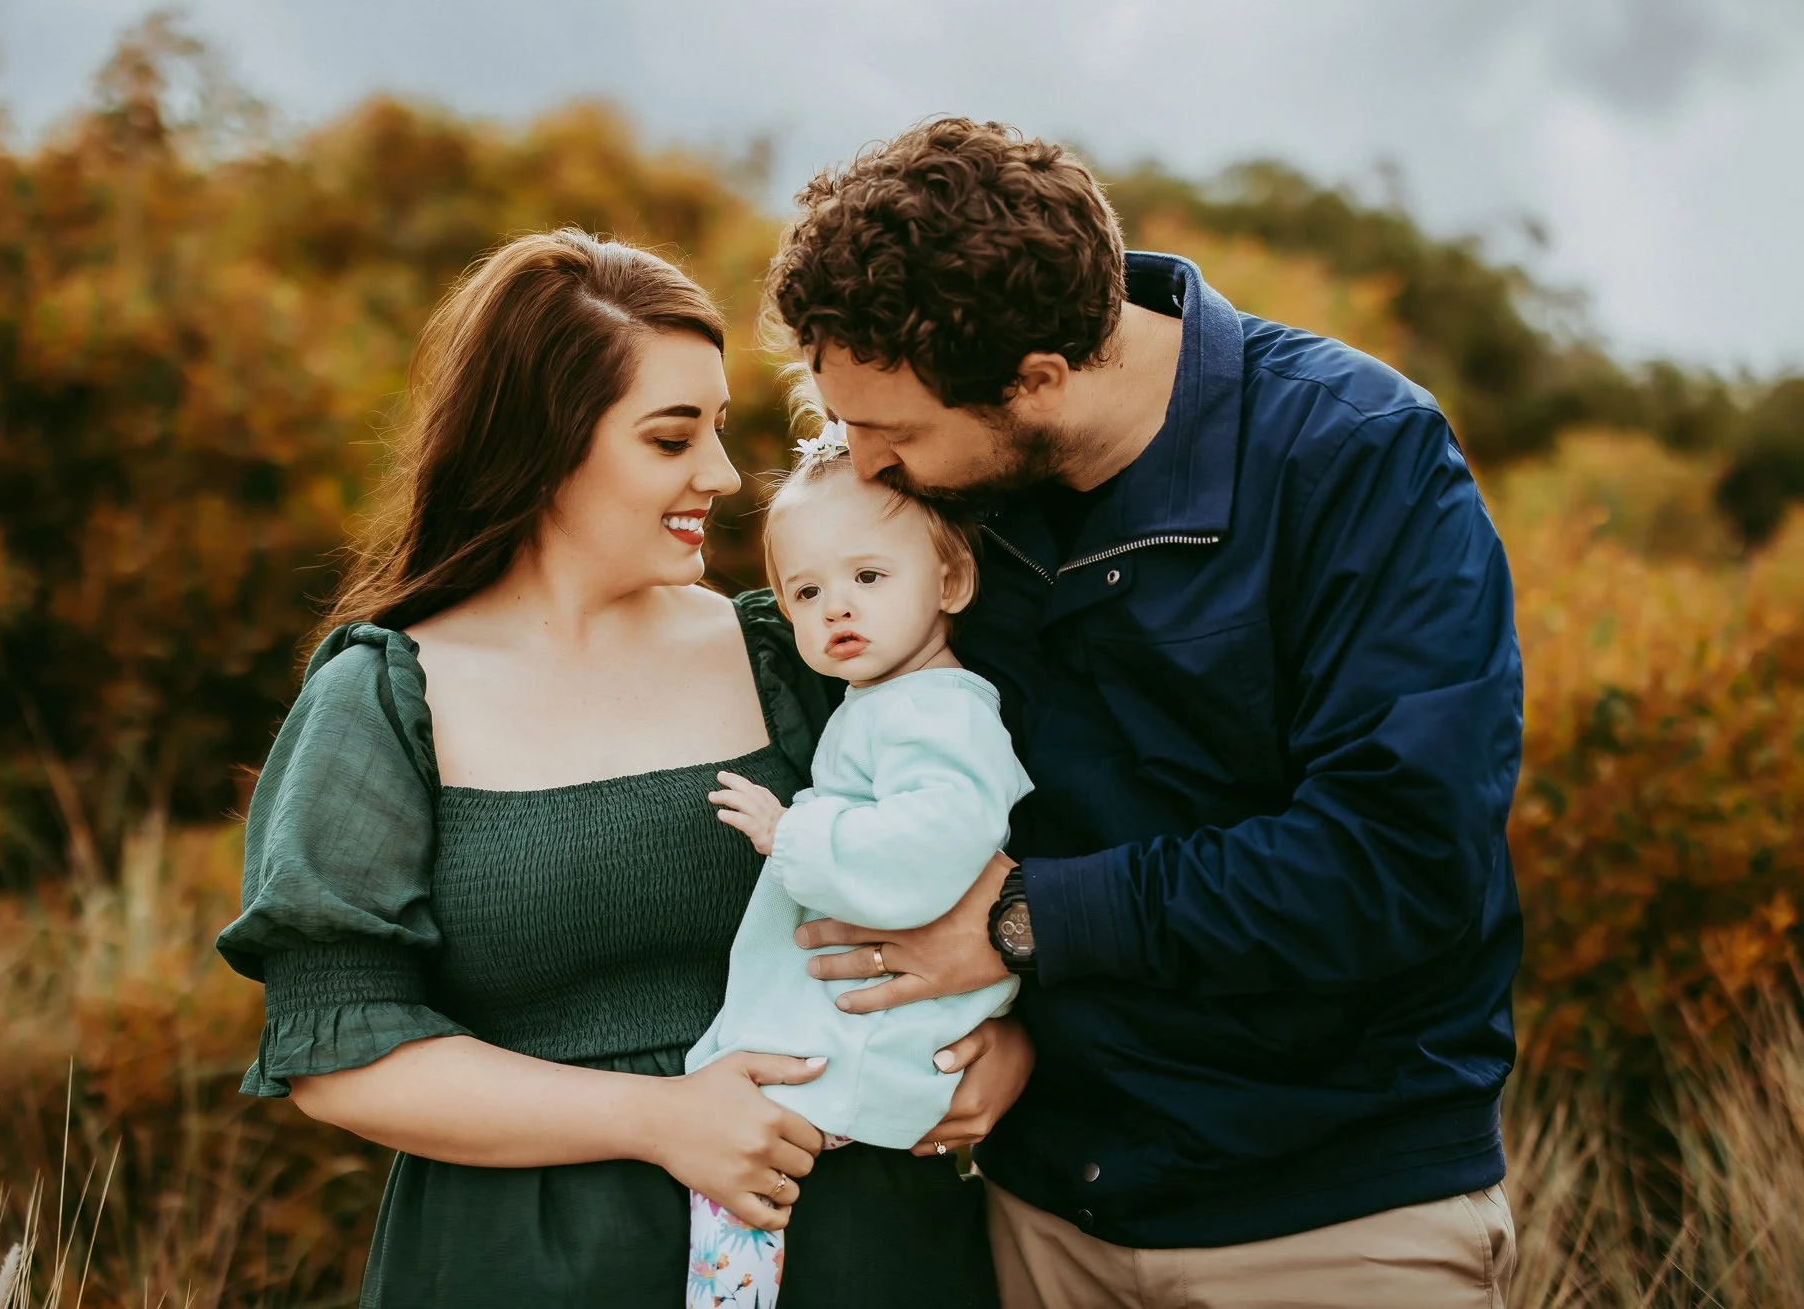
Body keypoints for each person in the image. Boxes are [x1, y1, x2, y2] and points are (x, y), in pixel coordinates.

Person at [763, 119, 1525, 1307]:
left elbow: (1398, 856)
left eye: (892, 432)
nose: (860, 465)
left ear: (1037, 381)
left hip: (1328, 1217)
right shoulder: (948, 498)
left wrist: (1027, 920)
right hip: (1036, 1208)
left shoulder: (1355, 457)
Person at [215, 229, 1025, 1306]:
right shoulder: (385, 696)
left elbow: (971, 843)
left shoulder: (787, 653)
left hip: (855, 1244)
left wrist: (1009, 1043)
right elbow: (335, 1046)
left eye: (720, 430)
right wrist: (659, 1118)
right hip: (532, 1262)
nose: (721, 474)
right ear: (544, 442)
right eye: (669, 436)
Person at [685, 417, 1033, 1305]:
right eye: (803, 593)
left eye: (869, 578)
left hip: (868, 1047)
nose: (835, 607)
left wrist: (786, 834)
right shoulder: (889, 703)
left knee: (738, 1206)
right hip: (844, 1042)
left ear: (950, 580)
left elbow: (931, 854)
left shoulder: (940, 712)